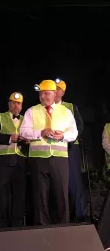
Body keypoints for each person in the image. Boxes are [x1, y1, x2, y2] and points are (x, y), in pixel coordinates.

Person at [20, 80, 78, 225]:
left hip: (59, 159)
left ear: (54, 94)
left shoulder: (65, 111)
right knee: (40, 196)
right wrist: (41, 132)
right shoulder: (31, 111)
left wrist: (63, 136)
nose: (43, 96)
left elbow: (74, 132)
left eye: (46, 93)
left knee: (61, 195)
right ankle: (42, 228)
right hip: (38, 159)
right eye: (41, 94)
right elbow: (23, 132)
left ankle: (63, 227)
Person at [0, 92, 28, 228]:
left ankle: (17, 224)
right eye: (13, 102)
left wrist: (26, 140)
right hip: (4, 160)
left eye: (18, 103)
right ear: (8, 103)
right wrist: (9, 138)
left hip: (21, 160)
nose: (16, 106)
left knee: (20, 193)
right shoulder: (0, 116)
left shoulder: (26, 119)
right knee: (1, 193)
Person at [55, 78, 87, 222]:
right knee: (58, 182)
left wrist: (68, 138)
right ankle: (62, 216)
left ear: (62, 92)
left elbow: (79, 126)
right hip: (54, 148)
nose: (54, 91)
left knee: (74, 180)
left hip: (70, 147)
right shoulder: (47, 108)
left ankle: (80, 214)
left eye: (57, 89)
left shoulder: (70, 106)